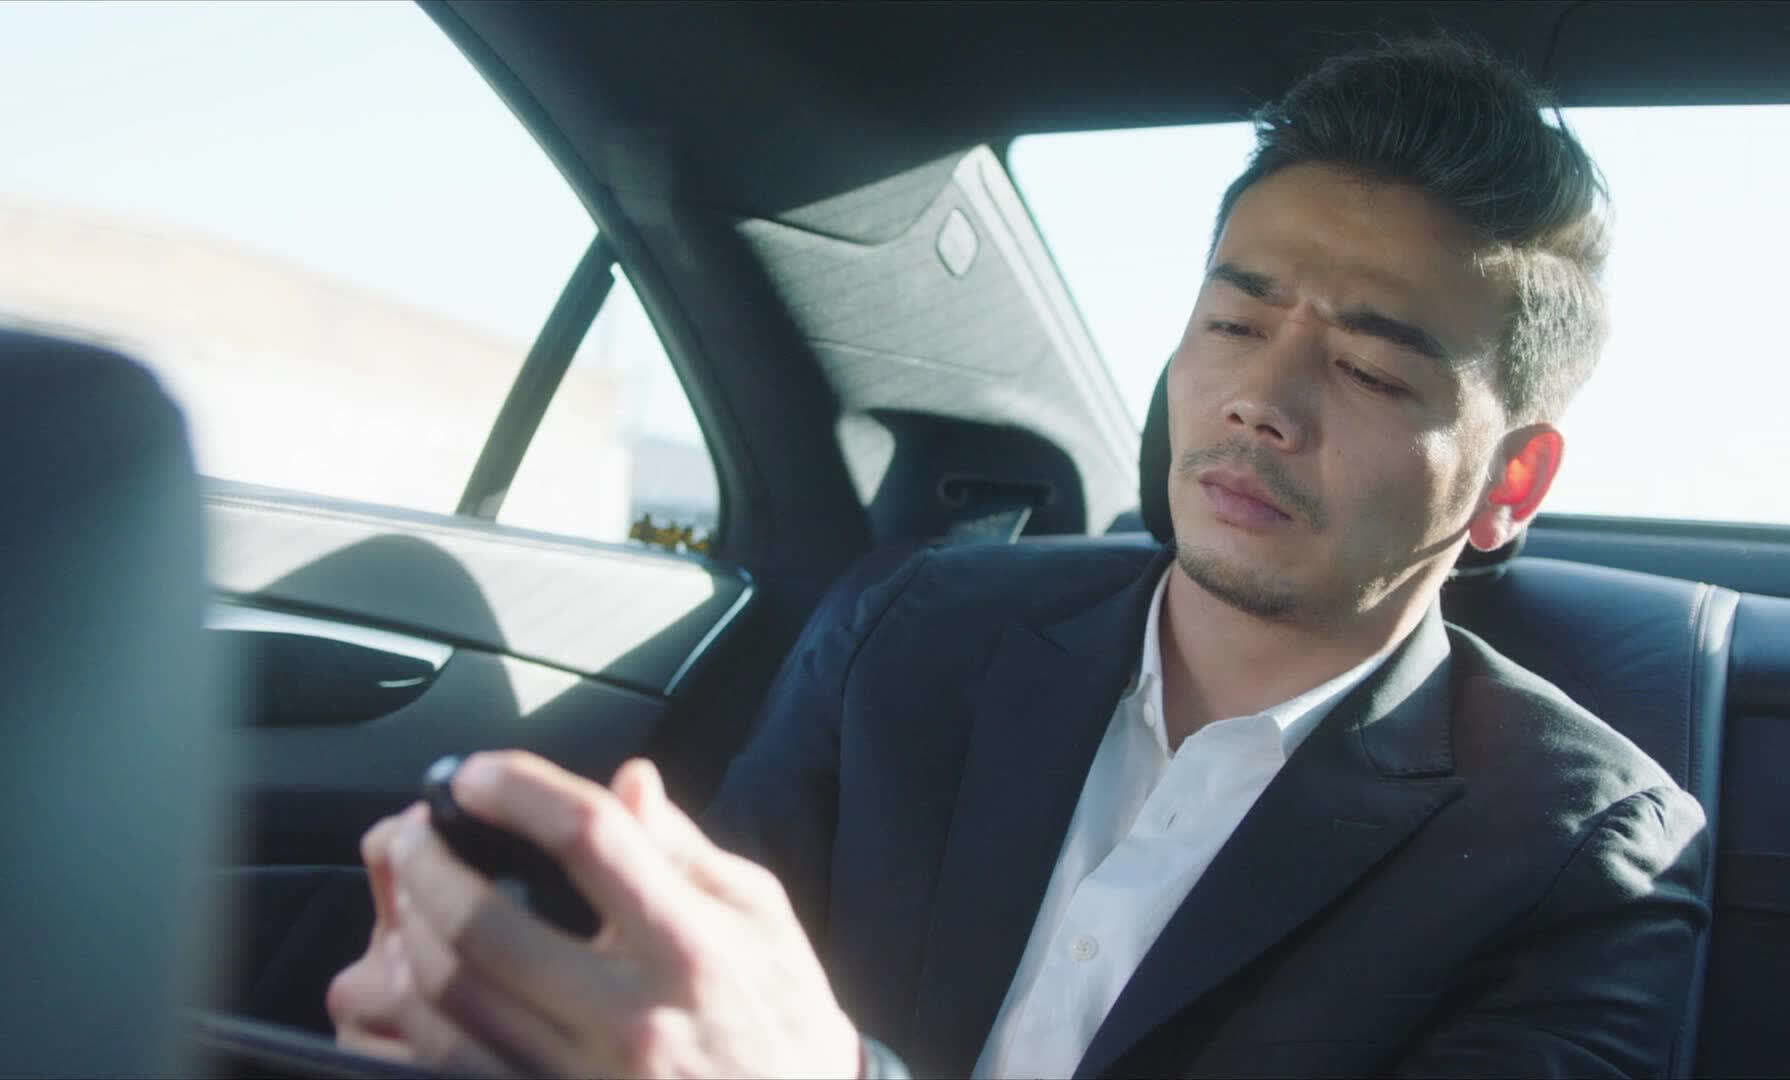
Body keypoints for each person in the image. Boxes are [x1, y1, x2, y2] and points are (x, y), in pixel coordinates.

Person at [327, 36, 1709, 1079]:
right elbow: (673, 991)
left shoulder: (1583, 857)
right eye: (1233, 325)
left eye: (1367, 369)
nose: (1260, 402)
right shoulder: (911, 633)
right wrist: (514, 1018)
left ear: (1510, 483)